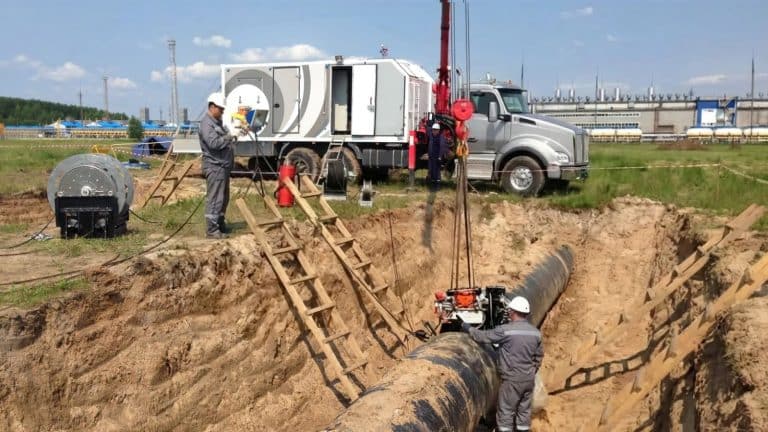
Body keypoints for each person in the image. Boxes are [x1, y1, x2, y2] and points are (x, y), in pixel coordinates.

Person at [462, 296, 543, 432]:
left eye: (510, 311)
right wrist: (531, 371)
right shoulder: (535, 333)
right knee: (524, 411)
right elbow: (539, 356)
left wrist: (467, 327)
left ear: (513, 312)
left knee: (506, 412)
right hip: (528, 379)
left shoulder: (506, 330)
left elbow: (482, 336)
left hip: (512, 380)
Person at [199, 92, 236, 239]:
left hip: (222, 166)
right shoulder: (206, 124)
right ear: (212, 107)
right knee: (215, 199)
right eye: (221, 109)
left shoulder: (217, 123)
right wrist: (229, 136)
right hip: (215, 167)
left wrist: (236, 132)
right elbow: (214, 143)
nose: (222, 112)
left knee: (223, 198)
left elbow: (226, 138)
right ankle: (212, 230)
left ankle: (220, 224)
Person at [427, 122, 446, 188]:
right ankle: (433, 184)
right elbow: (428, 129)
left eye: (436, 130)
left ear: (438, 130)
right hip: (431, 156)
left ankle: (437, 185)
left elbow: (442, 147)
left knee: (437, 171)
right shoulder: (431, 135)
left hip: (437, 157)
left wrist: (440, 156)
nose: (434, 131)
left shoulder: (441, 137)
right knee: (431, 170)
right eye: (433, 129)